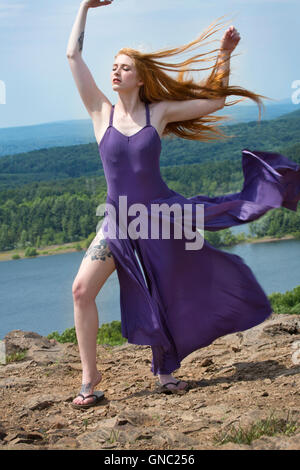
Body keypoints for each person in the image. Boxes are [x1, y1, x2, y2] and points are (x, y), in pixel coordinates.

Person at [67, 1, 300, 408]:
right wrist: (85, 7)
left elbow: (214, 102)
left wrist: (223, 56)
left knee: (169, 291)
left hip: (160, 218)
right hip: (118, 224)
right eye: (114, 66)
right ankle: (90, 379)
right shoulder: (99, 111)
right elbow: (73, 55)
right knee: (81, 290)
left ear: (140, 79)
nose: (115, 71)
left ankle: (165, 370)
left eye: (124, 67)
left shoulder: (158, 113)